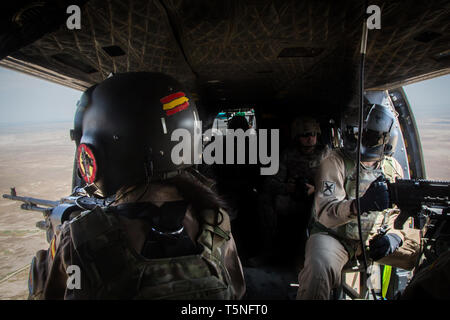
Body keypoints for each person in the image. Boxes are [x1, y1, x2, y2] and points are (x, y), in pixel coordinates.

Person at [27, 72, 245, 300]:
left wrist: (44, 267)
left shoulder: (79, 239)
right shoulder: (217, 222)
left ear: (95, 154)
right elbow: (236, 291)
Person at [296, 104, 418, 300]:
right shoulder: (334, 161)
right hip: (335, 237)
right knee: (319, 268)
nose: (363, 142)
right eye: (358, 135)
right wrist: (359, 205)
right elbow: (326, 213)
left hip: (376, 239)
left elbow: (399, 216)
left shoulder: (391, 167)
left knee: (429, 254)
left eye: (372, 137)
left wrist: (395, 237)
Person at [257, 116, 329, 265]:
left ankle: (310, 257)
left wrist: (316, 190)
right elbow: (271, 182)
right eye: (305, 135)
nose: (310, 139)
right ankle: (269, 251)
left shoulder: (326, 155)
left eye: (313, 135)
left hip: (318, 199)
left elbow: (335, 185)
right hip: (293, 197)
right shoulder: (288, 154)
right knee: (265, 200)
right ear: (297, 137)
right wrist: (288, 188)